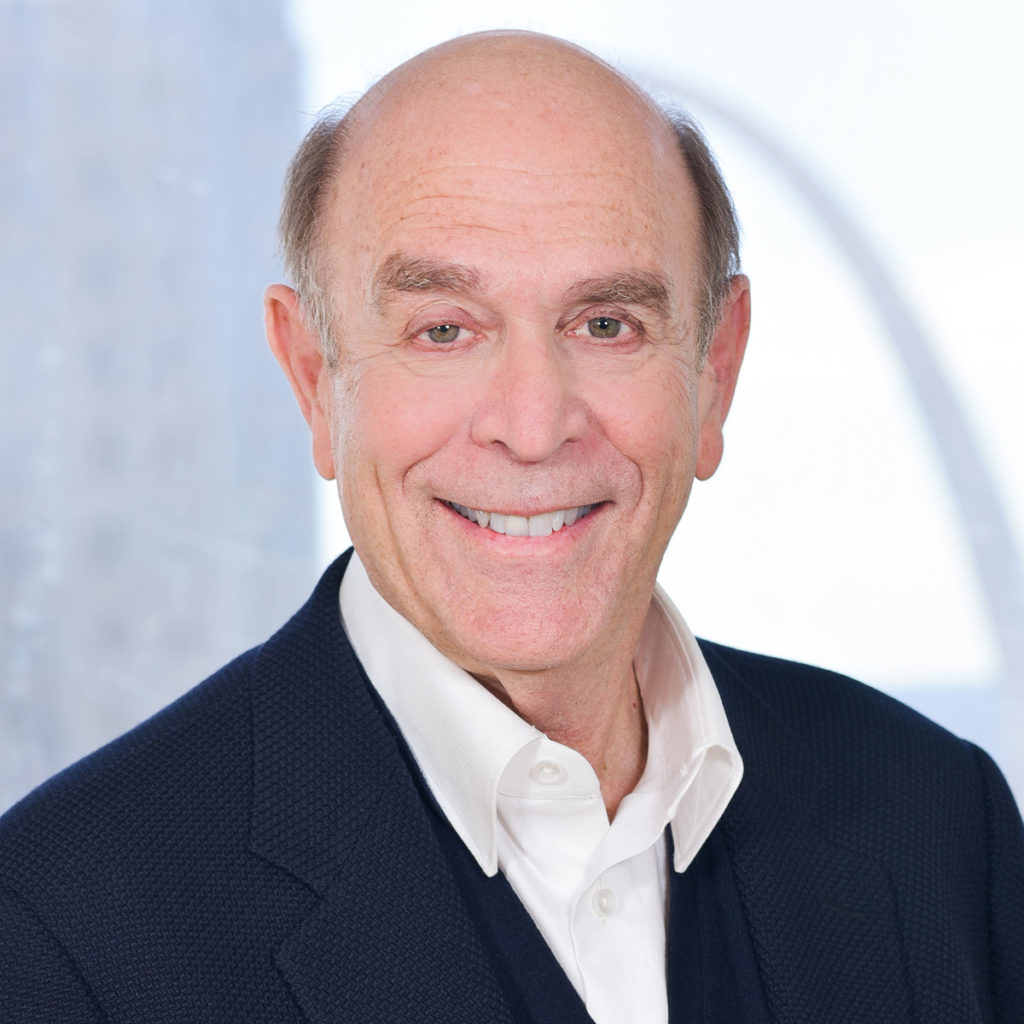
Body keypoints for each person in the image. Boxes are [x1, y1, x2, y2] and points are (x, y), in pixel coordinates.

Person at [1, 29, 1021, 1024]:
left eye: (606, 324)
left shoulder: (938, 820)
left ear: (714, 372)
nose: (533, 427)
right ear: (315, 380)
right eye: (442, 330)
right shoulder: (62, 931)